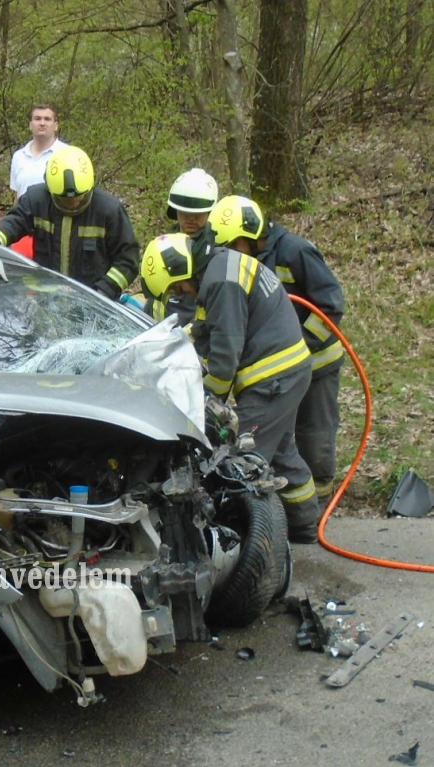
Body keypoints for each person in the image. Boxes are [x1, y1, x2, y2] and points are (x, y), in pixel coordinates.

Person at [141, 232, 320, 543]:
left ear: (182, 271)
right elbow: (205, 330)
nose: (181, 293)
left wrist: (205, 401)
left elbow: (225, 354)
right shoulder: (218, 267)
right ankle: (304, 527)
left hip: (272, 378)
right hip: (286, 372)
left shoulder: (220, 283)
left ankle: (250, 539)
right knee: (282, 450)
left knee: (242, 462)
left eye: (177, 286)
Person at [208, 195, 345, 507]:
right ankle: (298, 510)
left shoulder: (294, 251)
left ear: (251, 237)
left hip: (318, 362)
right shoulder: (248, 259)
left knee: (315, 437)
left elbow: (331, 304)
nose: (229, 255)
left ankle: (322, 507)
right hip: (282, 365)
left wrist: (299, 341)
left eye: (233, 247)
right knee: (284, 441)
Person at [0, 145, 139, 299]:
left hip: (91, 305)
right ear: (50, 190)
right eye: (64, 200)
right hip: (45, 299)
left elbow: (128, 260)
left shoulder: (108, 210)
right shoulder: (37, 200)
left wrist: (104, 290)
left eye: (78, 198)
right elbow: (14, 223)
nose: (73, 204)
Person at [148, 168, 219, 324]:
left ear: (208, 212)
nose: (191, 218)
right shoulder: (163, 245)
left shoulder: (216, 253)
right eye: (185, 212)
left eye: (197, 213)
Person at [8, 104, 67, 259]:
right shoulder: (19, 156)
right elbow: (17, 196)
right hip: (25, 231)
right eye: (37, 118)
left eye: (47, 119)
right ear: (30, 125)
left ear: (56, 125)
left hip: (53, 230)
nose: (42, 123)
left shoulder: (66, 154)